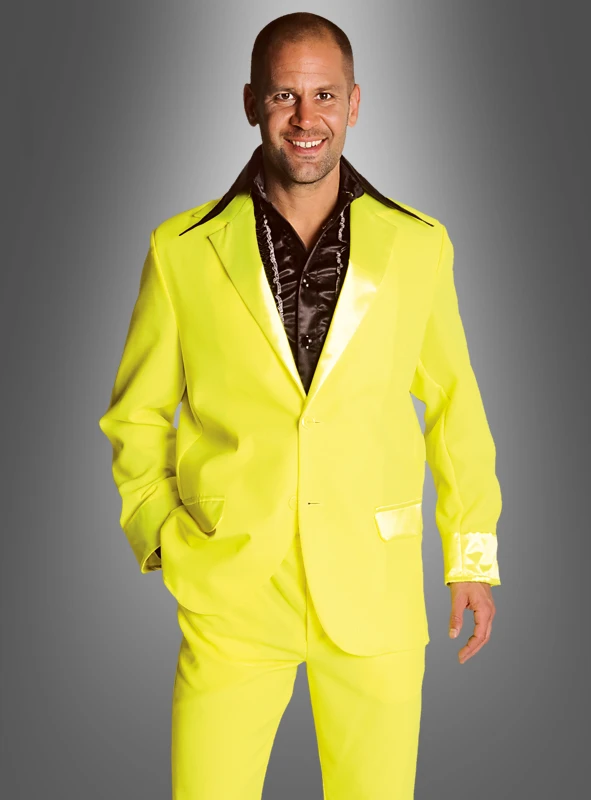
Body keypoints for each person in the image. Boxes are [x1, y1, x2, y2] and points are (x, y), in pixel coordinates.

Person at [98, 11, 502, 799]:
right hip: (231, 587)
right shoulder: (180, 249)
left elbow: (456, 404)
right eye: (285, 95)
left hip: (375, 590)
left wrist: (472, 559)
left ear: (355, 103)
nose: (305, 117)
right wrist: (162, 536)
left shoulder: (419, 244)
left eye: (324, 95)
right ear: (251, 102)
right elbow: (135, 413)